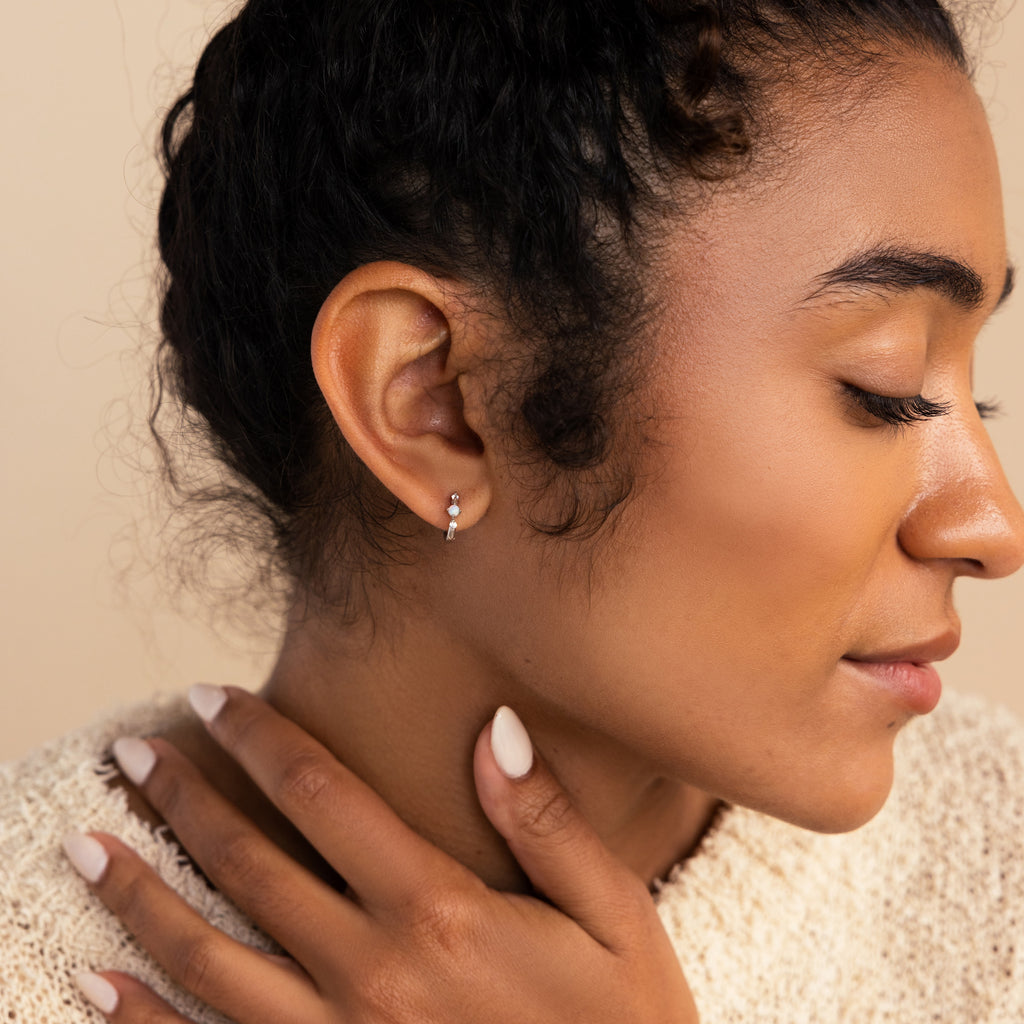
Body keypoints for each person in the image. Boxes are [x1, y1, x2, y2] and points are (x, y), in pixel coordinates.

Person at [4, 0, 1024, 1020]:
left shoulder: (1001, 866)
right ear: (435, 401)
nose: (992, 527)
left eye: (971, 392)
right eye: (882, 387)